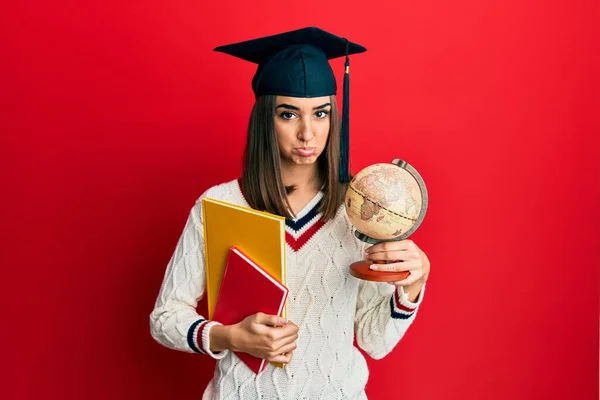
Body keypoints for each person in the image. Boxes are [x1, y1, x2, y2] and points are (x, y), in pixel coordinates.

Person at [150, 27, 430, 400]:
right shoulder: (219, 205)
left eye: (320, 113)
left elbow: (374, 341)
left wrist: (410, 287)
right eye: (288, 114)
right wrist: (229, 336)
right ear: (267, 118)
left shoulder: (363, 211)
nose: (307, 133)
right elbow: (164, 318)